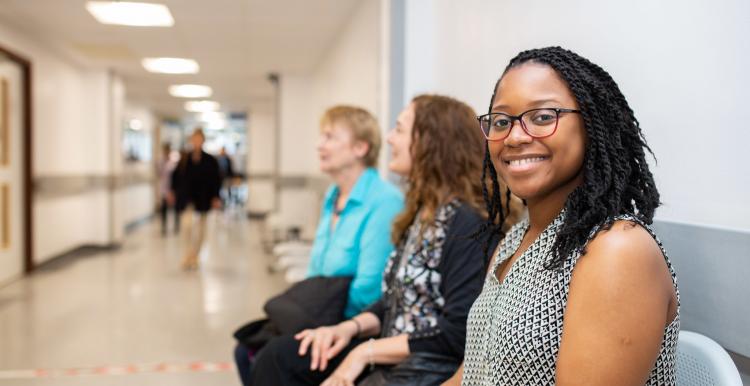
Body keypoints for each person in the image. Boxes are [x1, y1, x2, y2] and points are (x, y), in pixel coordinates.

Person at [442, 47, 680, 386]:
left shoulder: (615, 249)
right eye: (501, 121)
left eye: (542, 117)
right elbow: (472, 375)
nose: (515, 136)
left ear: (592, 124)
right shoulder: (517, 238)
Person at [248, 95, 522, 386]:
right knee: (279, 355)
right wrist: (347, 329)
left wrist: (363, 353)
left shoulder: (467, 222)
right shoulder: (424, 212)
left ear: (432, 142)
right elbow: (393, 298)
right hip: (394, 349)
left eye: (400, 130)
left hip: (426, 364)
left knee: (281, 360)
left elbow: (457, 333)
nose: (389, 138)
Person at [233, 106, 403, 385]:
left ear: (360, 147)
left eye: (330, 137)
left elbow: (369, 290)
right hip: (322, 311)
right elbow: (317, 270)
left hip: (356, 326)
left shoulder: (385, 201)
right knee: (246, 347)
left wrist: (319, 325)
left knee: (273, 356)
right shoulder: (333, 195)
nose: (319, 145)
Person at [170, 128, 222, 270]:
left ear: (203, 140)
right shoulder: (184, 159)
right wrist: (172, 192)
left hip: (204, 199)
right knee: (186, 226)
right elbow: (175, 177)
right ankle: (188, 254)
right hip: (187, 199)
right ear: (191, 140)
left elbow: (216, 180)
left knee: (201, 230)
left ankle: (196, 255)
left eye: (199, 139)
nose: (196, 142)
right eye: (194, 139)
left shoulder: (210, 161)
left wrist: (216, 197)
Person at [157, 143, 177, 235]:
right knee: (164, 208)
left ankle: (176, 226)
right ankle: (164, 227)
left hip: (173, 188)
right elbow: (159, 174)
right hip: (164, 188)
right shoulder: (160, 162)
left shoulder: (173, 162)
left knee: (175, 207)